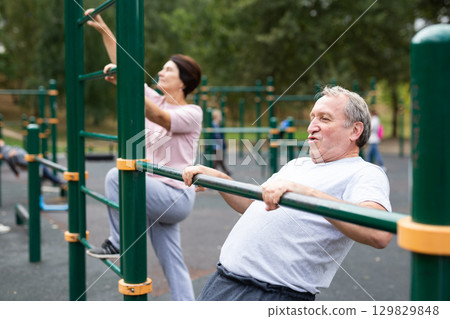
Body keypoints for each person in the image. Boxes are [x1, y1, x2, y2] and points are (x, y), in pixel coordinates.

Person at [182, 86, 392, 301]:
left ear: (355, 131)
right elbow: (255, 205)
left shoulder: (364, 172)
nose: (312, 127)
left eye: (325, 119)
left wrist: (308, 194)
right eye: (312, 118)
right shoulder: (298, 164)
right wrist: (221, 180)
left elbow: (379, 233)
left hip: (272, 294)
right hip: (223, 282)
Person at [84, 9, 203, 301]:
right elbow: (124, 67)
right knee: (172, 261)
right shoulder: (155, 96)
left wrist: (128, 86)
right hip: (155, 191)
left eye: (167, 71)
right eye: (161, 69)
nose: (160, 73)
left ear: (183, 82)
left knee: (117, 176)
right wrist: (104, 31)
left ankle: (118, 241)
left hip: (175, 196)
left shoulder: (191, 112)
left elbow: (159, 117)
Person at [0, 140, 67, 189]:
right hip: (29, 162)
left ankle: (61, 183)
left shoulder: (5, 150)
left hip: (30, 161)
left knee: (44, 174)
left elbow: (11, 156)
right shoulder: (5, 151)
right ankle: (60, 183)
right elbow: (10, 157)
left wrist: (15, 172)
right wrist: (15, 171)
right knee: (44, 174)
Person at [211, 109, 231, 175]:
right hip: (216, 145)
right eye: (219, 116)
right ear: (216, 116)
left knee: (219, 160)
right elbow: (217, 136)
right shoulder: (214, 125)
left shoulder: (216, 125)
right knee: (218, 160)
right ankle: (214, 172)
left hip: (217, 145)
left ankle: (226, 171)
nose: (220, 117)